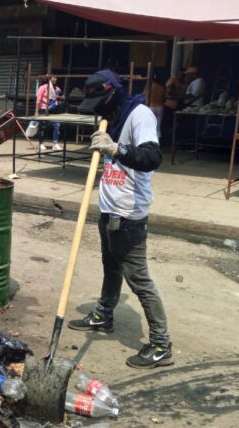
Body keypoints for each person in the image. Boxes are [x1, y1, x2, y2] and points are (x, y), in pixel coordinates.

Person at [69, 69, 172, 369]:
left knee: (139, 281)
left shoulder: (140, 115)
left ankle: (161, 344)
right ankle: (104, 314)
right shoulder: (111, 117)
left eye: (101, 102)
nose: (98, 110)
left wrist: (116, 148)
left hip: (129, 215)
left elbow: (152, 157)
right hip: (109, 209)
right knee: (110, 267)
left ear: (112, 93)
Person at [35, 75, 64, 151]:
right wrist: (36, 111)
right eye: (54, 77)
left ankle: (55, 144)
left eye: (56, 77)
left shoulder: (57, 88)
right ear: (49, 79)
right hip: (44, 109)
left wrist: (59, 96)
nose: (55, 79)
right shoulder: (43, 87)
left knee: (57, 125)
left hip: (54, 109)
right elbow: (38, 99)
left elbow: (62, 97)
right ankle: (41, 144)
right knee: (43, 127)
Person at [143, 73, 166, 138]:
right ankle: (157, 143)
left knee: (148, 125)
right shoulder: (162, 87)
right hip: (160, 107)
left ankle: (149, 141)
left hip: (150, 107)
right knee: (158, 126)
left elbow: (143, 95)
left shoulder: (148, 86)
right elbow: (164, 98)